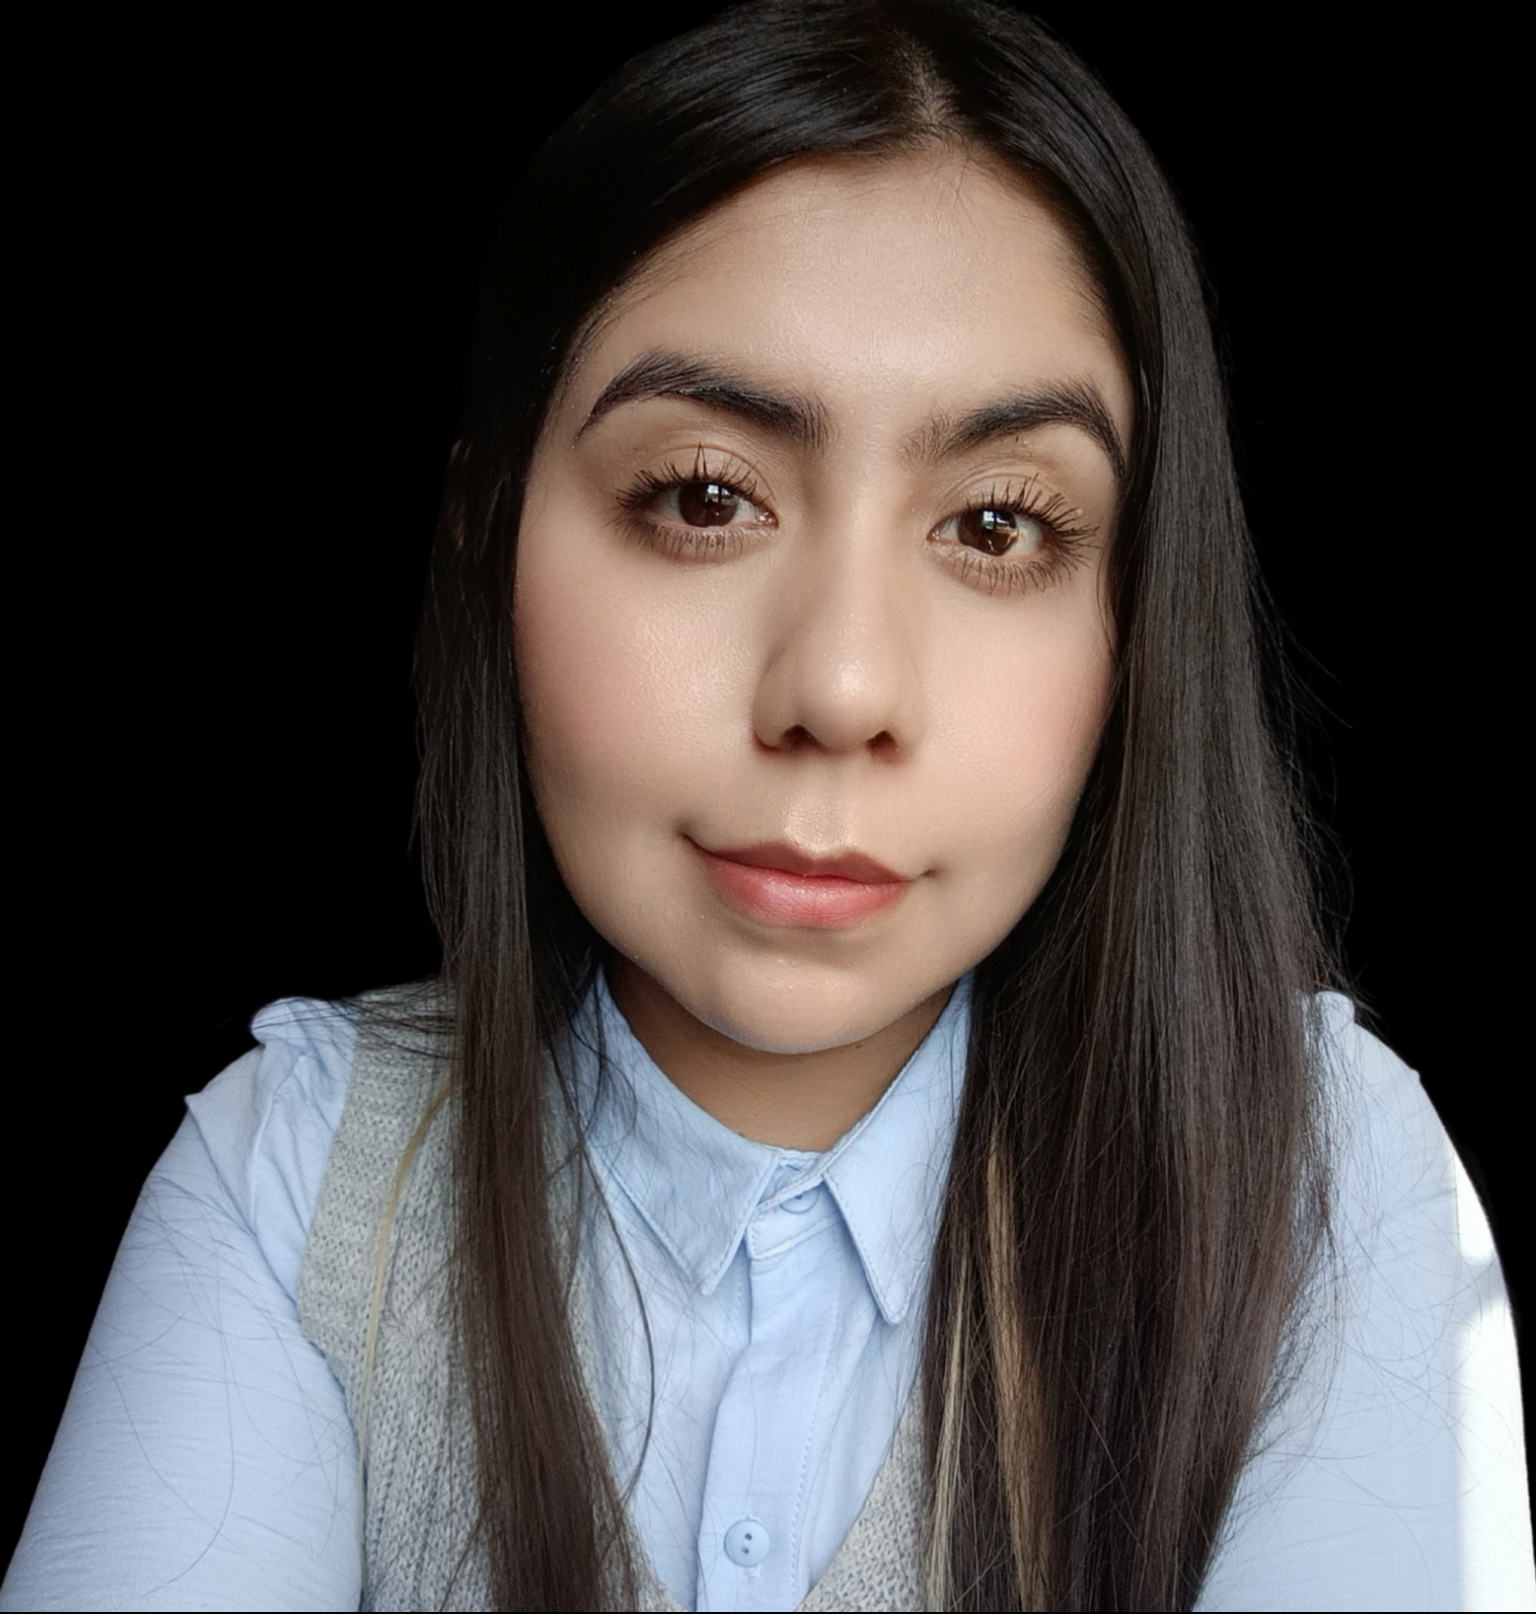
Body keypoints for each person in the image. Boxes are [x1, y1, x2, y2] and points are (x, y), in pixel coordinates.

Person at [5, 2, 1531, 1609]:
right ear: (486, 537)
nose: (844, 686)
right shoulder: (304, 1180)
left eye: (997, 526)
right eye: (705, 496)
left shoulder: (1317, 1182)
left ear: (1137, 620)